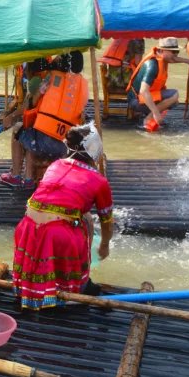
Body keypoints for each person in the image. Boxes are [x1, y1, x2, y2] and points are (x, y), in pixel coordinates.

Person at [12, 123, 112, 310]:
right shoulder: (99, 181)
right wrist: (104, 245)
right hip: (58, 235)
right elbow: (106, 219)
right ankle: (77, 286)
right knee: (85, 223)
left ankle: (33, 291)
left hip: (26, 227)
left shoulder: (56, 165)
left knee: (83, 218)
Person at [1, 53, 88, 188]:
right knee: (32, 130)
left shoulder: (50, 79)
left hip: (45, 143)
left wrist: (11, 117)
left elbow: (29, 106)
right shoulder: (81, 85)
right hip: (67, 146)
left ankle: (16, 175)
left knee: (20, 128)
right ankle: (29, 179)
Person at [126, 37, 189, 129]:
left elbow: (173, 59)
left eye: (177, 52)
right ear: (162, 50)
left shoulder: (161, 57)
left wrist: (188, 61)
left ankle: (151, 114)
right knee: (174, 95)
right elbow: (144, 91)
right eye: (173, 52)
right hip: (136, 100)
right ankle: (148, 118)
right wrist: (155, 113)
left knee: (174, 102)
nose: (175, 55)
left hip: (143, 97)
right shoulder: (152, 65)